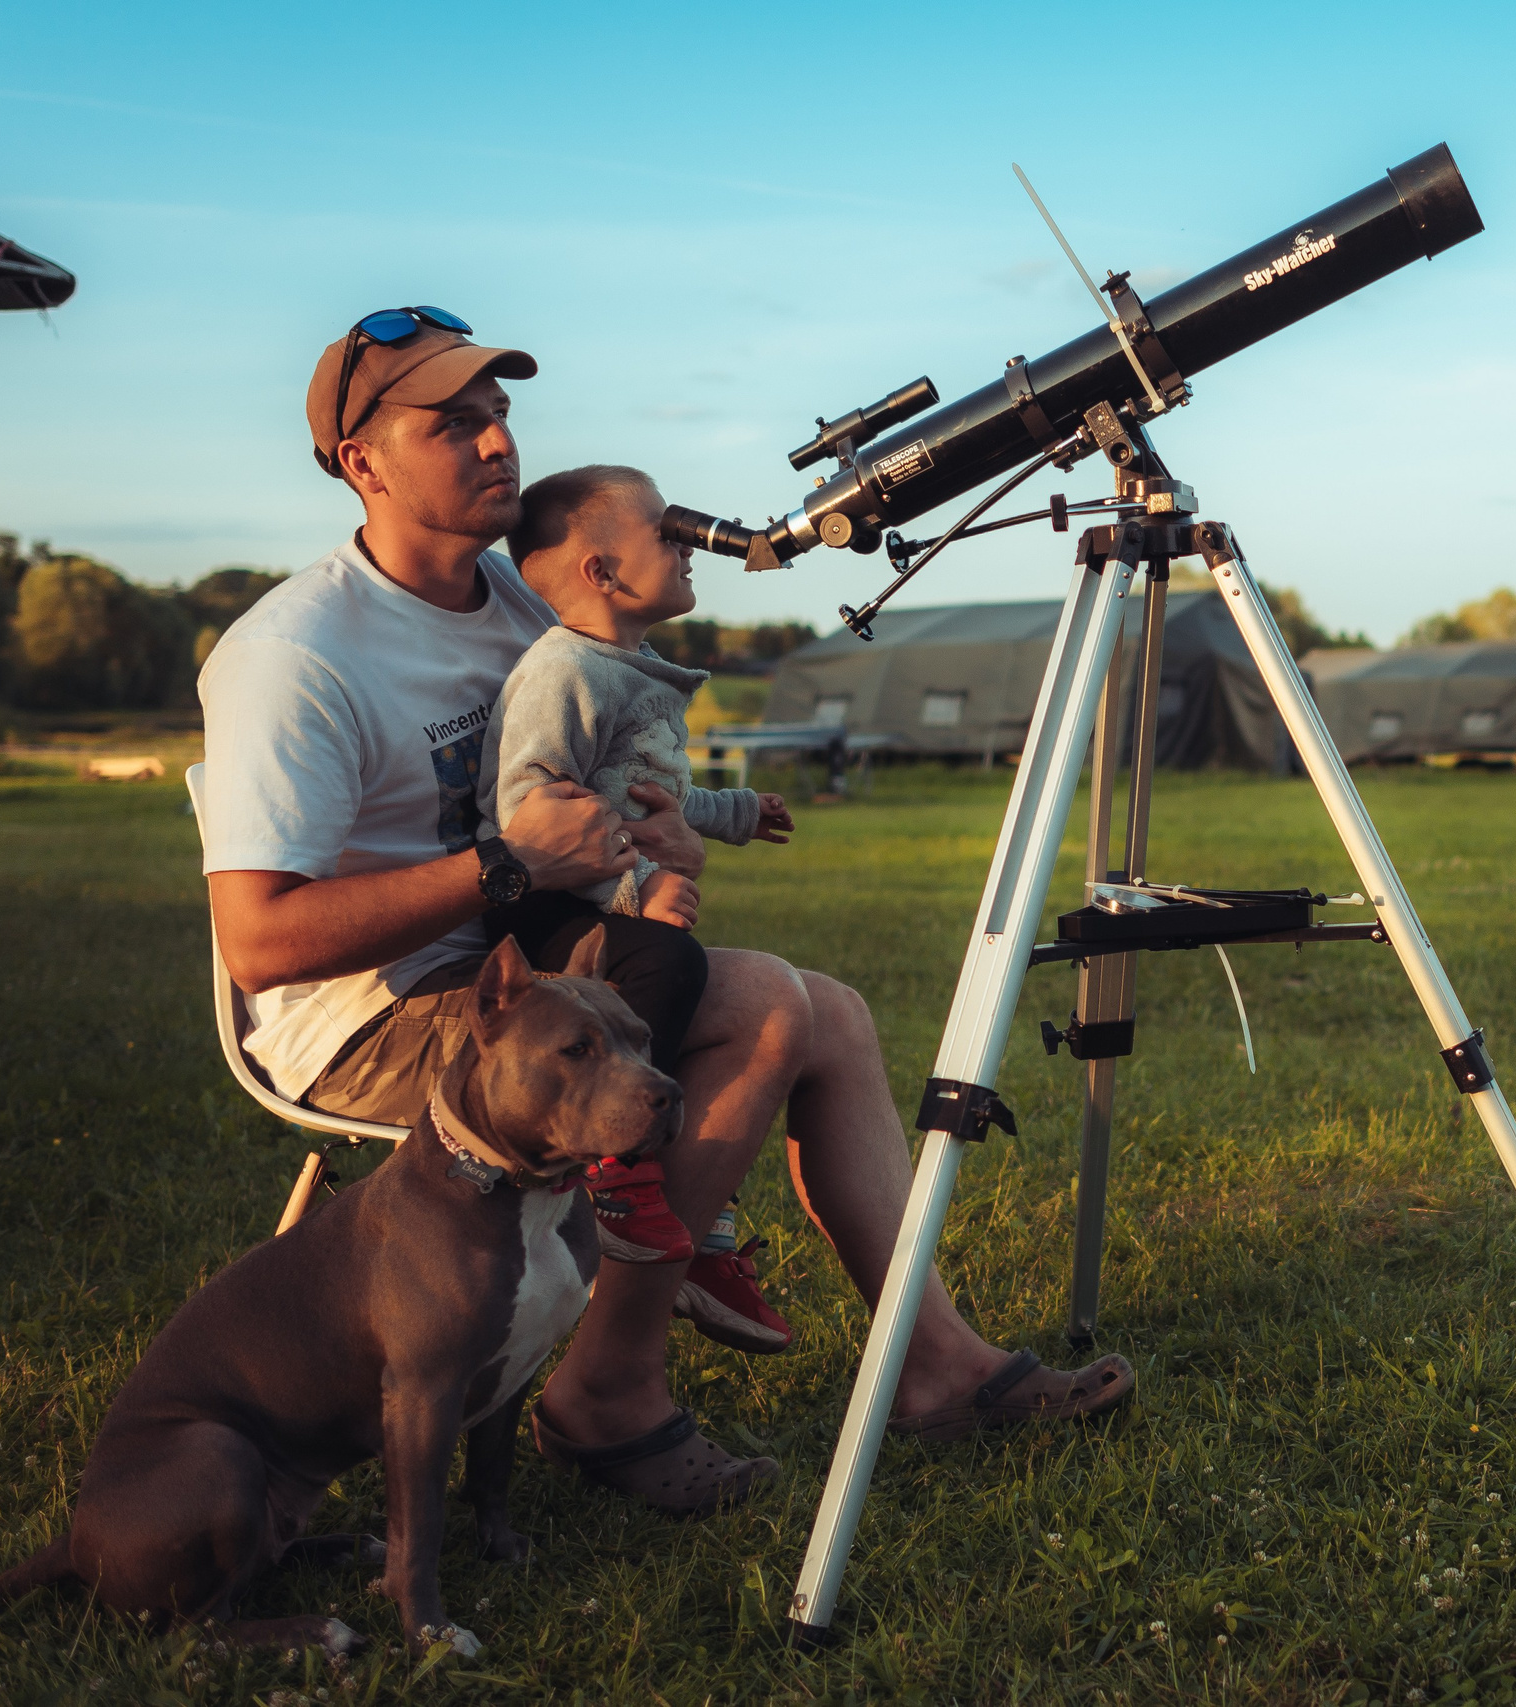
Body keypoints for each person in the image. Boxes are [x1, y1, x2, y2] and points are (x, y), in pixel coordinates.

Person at [196, 307, 1133, 1515]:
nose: (495, 446)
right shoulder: (295, 654)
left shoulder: (520, 600)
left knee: (832, 1013)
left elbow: (601, 769)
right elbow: (261, 946)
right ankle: (608, 1394)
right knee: (761, 1005)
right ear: (360, 462)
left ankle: (938, 1367)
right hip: (372, 1015)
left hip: (525, 960)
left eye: (499, 418)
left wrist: (667, 827)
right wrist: (510, 871)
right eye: (451, 425)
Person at [478, 461, 797, 1348]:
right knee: (668, 963)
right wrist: (634, 889)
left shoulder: (632, 666)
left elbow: (649, 793)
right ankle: (616, 1170)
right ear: (602, 573)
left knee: (680, 978)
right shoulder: (564, 672)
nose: (691, 539)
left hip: (596, 896)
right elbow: (530, 812)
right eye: (669, 529)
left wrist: (735, 812)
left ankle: (709, 1224)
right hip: (537, 910)